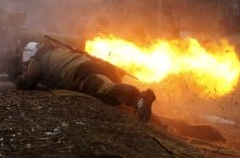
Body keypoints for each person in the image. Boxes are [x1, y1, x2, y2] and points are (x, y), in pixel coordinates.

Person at [15, 41, 156, 122]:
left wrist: (19, 78)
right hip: (100, 65)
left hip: (84, 71)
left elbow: (27, 82)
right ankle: (143, 110)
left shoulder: (38, 58)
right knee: (116, 98)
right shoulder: (59, 51)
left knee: (105, 89)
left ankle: (140, 97)